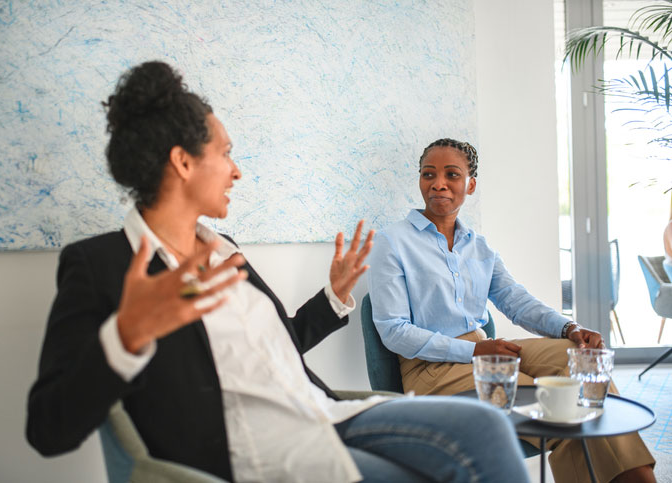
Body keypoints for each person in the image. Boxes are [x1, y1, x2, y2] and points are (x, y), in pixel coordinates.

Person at [26, 62, 530, 482]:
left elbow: (273, 349)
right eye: (224, 153)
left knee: (485, 425)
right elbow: (49, 429)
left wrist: (332, 297)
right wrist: (126, 337)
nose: (236, 170)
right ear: (182, 162)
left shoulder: (222, 250)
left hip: (321, 413)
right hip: (252, 450)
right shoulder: (100, 266)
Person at [367, 138, 656, 483]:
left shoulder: (479, 246)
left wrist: (569, 328)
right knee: (554, 405)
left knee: (576, 359)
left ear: (470, 185)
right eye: (429, 174)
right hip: (433, 369)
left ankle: (635, 475)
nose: (438, 183)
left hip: (486, 353)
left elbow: (516, 300)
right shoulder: (392, 241)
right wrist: (474, 351)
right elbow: (393, 329)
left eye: (451, 174)